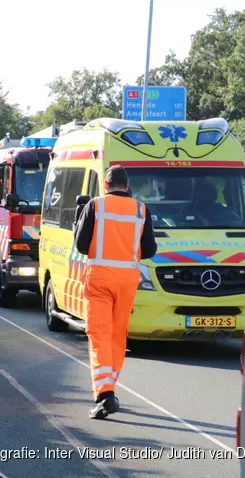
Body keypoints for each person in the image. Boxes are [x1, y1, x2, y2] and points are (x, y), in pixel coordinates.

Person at [75, 165, 157, 420]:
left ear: (107, 184)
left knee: (99, 334)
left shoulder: (96, 206)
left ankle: (104, 394)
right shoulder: (141, 209)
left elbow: (80, 245)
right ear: (127, 185)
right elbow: (150, 250)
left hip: (99, 278)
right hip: (127, 280)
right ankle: (110, 388)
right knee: (118, 335)